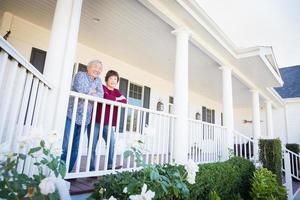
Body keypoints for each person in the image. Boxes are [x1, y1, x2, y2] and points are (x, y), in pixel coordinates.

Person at [61, 60, 104, 172]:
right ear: (88, 67)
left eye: (100, 68)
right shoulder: (80, 75)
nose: (97, 70)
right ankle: (58, 171)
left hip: (85, 119)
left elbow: (101, 96)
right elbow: (81, 89)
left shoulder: (98, 81)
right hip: (72, 114)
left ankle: (67, 172)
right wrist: (93, 92)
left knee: (76, 148)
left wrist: (92, 93)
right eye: (95, 67)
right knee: (65, 146)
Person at [88, 70, 127, 171]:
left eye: (115, 79)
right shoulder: (102, 87)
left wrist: (115, 98)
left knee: (111, 142)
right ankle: (91, 168)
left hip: (108, 123)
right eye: (111, 78)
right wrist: (117, 99)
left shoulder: (116, 91)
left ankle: (110, 164)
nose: (113, 81)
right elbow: (105, 96)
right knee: (92, 145)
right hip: (95, 121)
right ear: (107, 79)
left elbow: (125, 101)